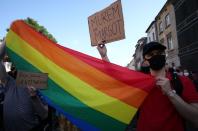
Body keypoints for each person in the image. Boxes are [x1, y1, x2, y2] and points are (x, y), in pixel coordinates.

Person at [97, 41, 198, 131]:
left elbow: (195, 117)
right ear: (145, 60)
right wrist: (104, 56)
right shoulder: (140, 81)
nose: (156, 56)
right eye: (151, 54)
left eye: (160, 53)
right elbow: (116, 76)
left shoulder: (182, 81)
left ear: (165, 55)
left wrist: (171, 93)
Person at [0, 40, 48, 131]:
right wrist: (9, 38)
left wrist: (34, 97)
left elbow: (44, 115)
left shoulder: (40, 81)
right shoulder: (9, 82)